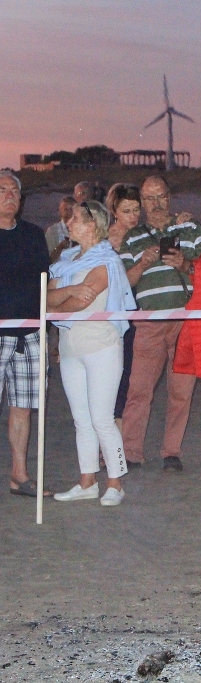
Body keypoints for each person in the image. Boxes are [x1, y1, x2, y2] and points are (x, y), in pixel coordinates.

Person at [118, 175, 201, 472]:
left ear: (170, 197)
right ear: (142, 203)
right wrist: (143, 264)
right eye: (149, 198)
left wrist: (186, 265)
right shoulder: (132, 237)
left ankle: (171, 451)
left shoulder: (190, 228)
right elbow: (123, 283)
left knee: (181, 390)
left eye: (161, 197)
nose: (156, 204)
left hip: (186, 323)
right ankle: (131, 452)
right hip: (148, 323)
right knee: (138, 390)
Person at [48, 201, 136, 506]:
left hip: (102, 347)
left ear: (93, 226)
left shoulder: (107, 262)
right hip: (71, 348)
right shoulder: (66, 259)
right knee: (81, 419)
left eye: (76, 219)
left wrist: (59, 297)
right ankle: (86, 481)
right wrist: (68, 292)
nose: (69, 223)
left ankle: (115, 482)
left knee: (102, 418)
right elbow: (47, 294)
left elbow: (80, 301)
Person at [0, 170, 51, 498]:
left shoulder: (33, 235)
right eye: (2, 190)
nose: (9, 196)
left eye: (15, 192)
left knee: (24, 406)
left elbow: (45, 284)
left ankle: (19, 476)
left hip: (30, 334)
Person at [104, 184, 143, 432]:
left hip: (140, 313)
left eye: (137, 210)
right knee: (114, 376)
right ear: (115, 211)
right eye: (127, 210)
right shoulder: (104, 240)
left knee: (131, 377)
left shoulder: (142, 237)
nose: (133, 216)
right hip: (114, 315)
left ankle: (121, 437)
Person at [45, 196, 75, 262]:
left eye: (71, 209)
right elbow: (47, 257)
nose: (69, 212)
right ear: (60, 211)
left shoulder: (81, 230)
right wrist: (60, 247)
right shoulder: (53, 231)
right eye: (66, 209)